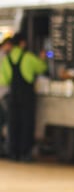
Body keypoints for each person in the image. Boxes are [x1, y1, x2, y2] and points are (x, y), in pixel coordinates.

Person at [0, 32, 48, 161]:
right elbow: (41, 68)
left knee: (13, 124)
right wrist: (43, 58)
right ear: (22, 43)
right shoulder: (28, 57)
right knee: (27, 124)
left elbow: (3, 80)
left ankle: (13, 153)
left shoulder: (7, 59)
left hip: (12, 96)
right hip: (26, 96)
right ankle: (25, 153)